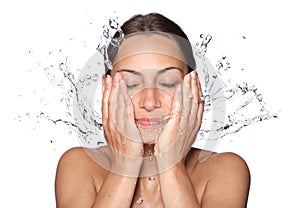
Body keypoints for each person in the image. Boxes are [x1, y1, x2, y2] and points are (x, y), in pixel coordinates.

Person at [55, 13, 250, 208]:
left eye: (167, 83)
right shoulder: (80, 165)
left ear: (193, 89)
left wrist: (170, 164)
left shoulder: (224, 170)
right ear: (107, 90)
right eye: (130, 84)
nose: (150, 103)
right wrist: (125, 166)